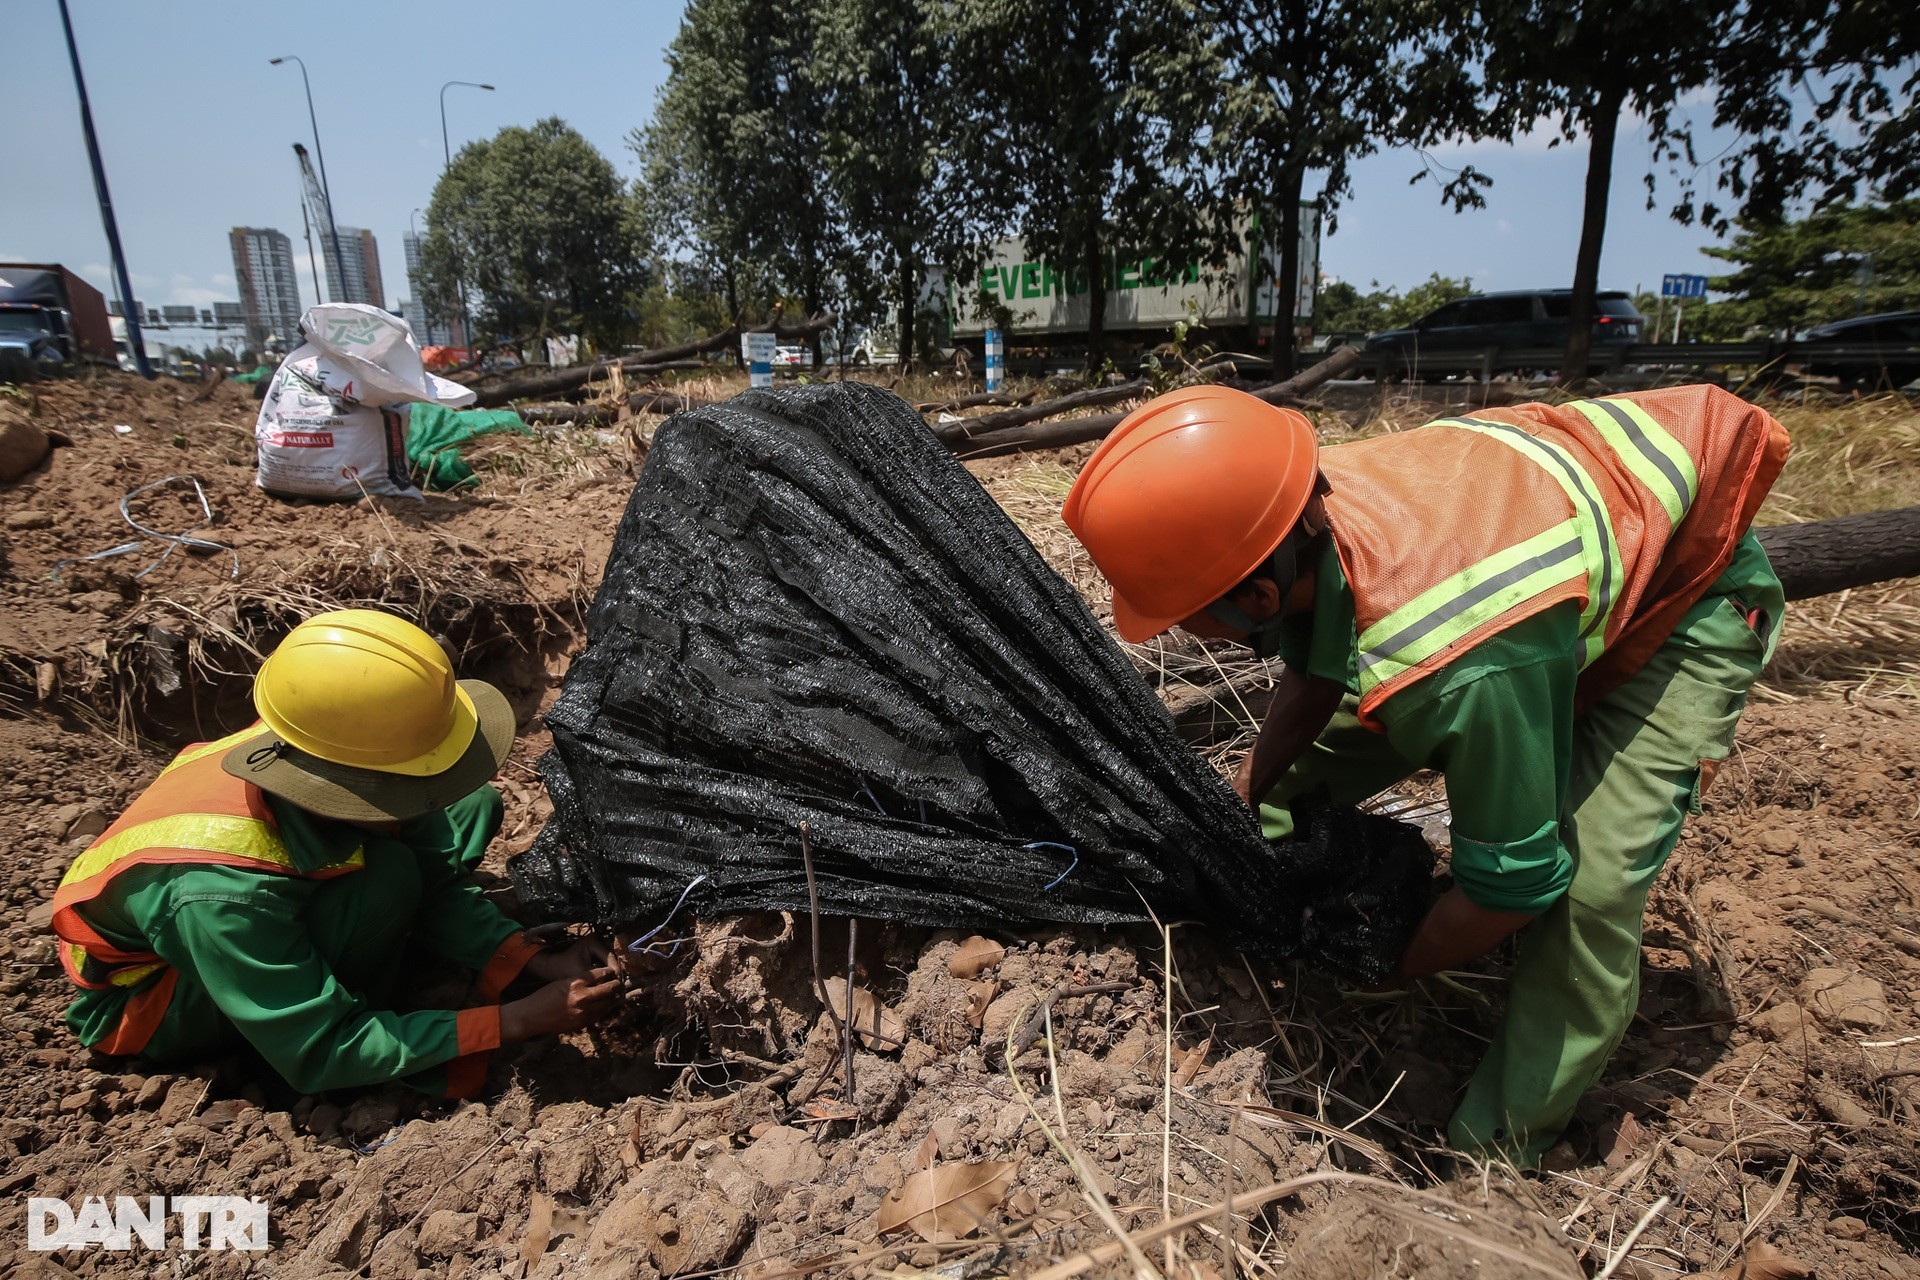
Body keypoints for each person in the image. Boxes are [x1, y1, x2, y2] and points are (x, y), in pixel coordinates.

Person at [1062, 383, 1790, 1165]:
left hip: (1682, 591)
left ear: (1260, 594)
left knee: (1586, 890)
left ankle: (1498, 1150)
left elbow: (1511, 887)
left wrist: (1385, 970)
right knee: (1307, 773)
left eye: (1182, 610)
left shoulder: (1455, 660)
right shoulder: (1285, 502)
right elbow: (1315, 670)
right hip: (1544, 572)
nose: (1172, 624)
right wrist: (1251, 795)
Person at [51, 609, 622, 1097]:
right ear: (351, 790)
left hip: (242, 915)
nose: (418, 795)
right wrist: (515, 1020)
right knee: (389, 881)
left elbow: (435, 874)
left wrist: (529, 958)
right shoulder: (217, 896)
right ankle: (381, 1017)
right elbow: (320, 1049)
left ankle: (392, 954)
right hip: (155, 1000)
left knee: (464, 806)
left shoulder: (322, 731)